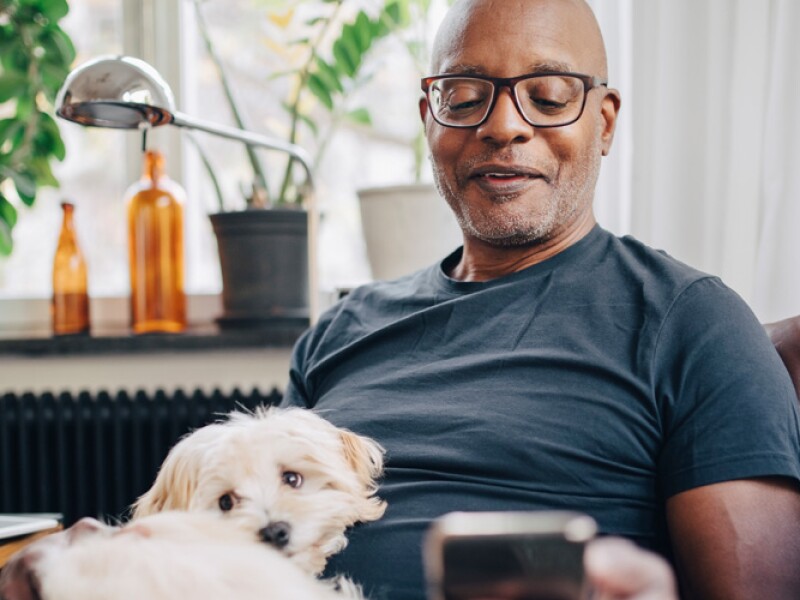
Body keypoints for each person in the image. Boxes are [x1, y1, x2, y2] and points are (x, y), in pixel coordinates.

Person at [281, 0, 800, 598]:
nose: (503, 126)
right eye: (465, 95)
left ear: (604, 124)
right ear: (430, 119)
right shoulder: (339, 333)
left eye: (550, 97)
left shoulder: (694, 324)